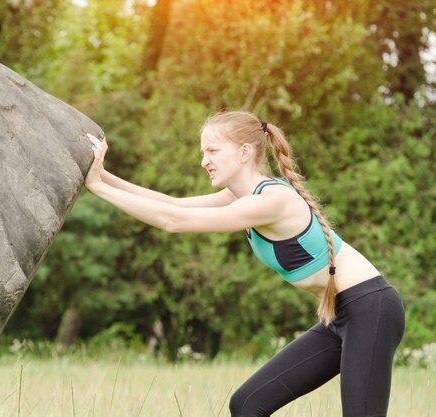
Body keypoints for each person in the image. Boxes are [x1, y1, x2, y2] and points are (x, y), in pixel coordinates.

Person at [83, 110, 405, 417]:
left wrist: (97, 187)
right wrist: (100, 173)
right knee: (248, 404)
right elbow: (172, 203)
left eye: (212, 150)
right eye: (202, 151)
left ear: (245, 151)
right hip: (340, 315)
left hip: (370, 307)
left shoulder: (272, 201)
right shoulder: (242, 197)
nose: (203, 161)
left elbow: (174, 221)